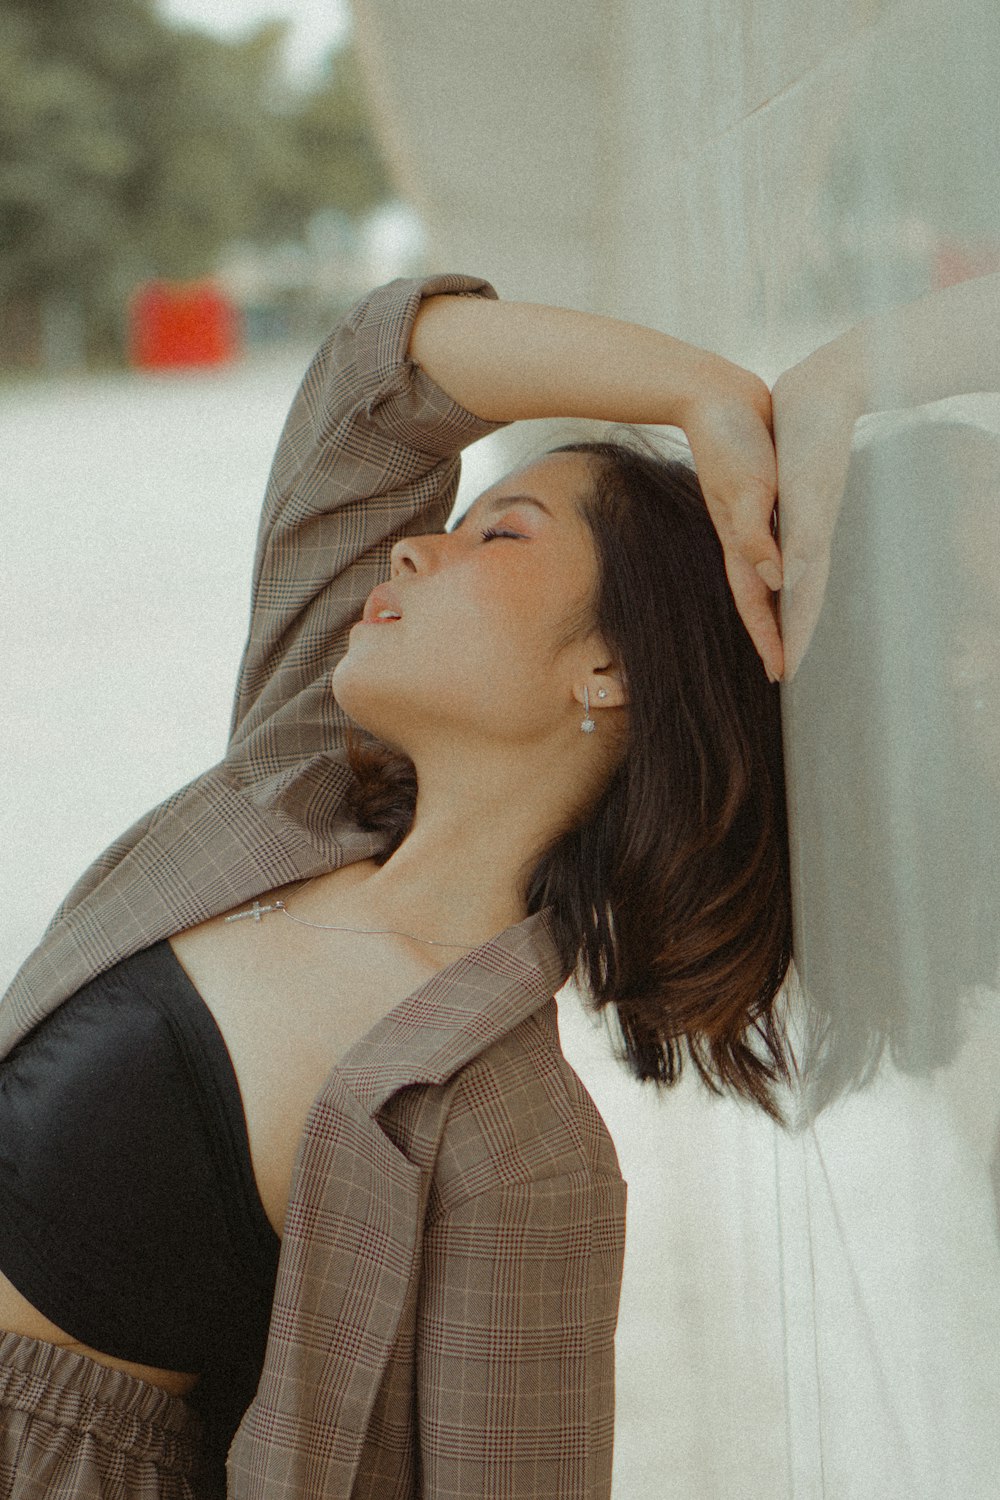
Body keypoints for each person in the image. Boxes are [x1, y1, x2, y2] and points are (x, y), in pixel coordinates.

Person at [0, 272, 792, 1500]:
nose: (419, 542)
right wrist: (699, 390)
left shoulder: (515, 1142)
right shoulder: (287, 795)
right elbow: (373, 395)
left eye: (501, 532)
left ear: (608, 667)